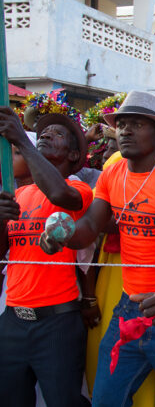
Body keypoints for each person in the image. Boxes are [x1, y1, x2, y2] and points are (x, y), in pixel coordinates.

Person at [39, 91, 155, 407]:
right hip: (128, 311)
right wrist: (62, 237)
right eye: (121, 124)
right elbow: (90, 227)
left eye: (136, 124)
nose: (125, 131)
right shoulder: (112, 174)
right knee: (105, 399)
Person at [0, 110, 96, 407]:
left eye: (58, 134)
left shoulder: (78, 188)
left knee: (62, 401)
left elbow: (58, 194)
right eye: (43, 132)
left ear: (75, 154)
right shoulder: (19, 194)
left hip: (57, 325)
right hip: (13, 321)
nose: (45, 135)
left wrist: (21, 140)